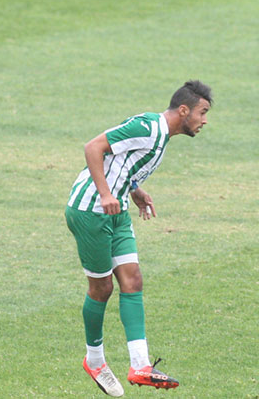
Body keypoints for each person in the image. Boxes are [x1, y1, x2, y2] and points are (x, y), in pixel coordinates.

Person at [65, 80, 212, 396]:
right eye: (202, 112)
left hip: (116, 211)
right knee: (102, 288)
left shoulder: (161, 137)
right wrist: (105, 194)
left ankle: (140, 365)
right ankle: (95, 361)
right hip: (91, 210)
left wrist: (134, 190)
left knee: (133, 280)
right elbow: (94, 147)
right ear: (183, 110)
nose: (204, 121)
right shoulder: (148, 126)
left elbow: (121, 161)